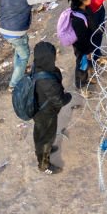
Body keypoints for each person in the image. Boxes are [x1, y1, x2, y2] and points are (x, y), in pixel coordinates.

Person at [0, 0, 72, 89]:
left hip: (4, 28)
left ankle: (18, 72)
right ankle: (14, 85)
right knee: (24, 56)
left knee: (18, 51)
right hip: (17, 31)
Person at [30, 41, 71, 174]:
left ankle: (44, 150)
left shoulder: (37, 67)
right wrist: (68, 97)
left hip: (39, 110)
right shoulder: (47, 81)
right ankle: (44, 165)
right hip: (46, 114)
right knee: (46, 138)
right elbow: (59, 101)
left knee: (41, 135)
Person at [67, 0, 102, 96]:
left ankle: (88, 78)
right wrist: (87, 51)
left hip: (88, 44)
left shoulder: (85, 8)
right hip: (82, 47)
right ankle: (81, 86)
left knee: (87, 63)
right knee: (82, 65)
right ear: (82, 1)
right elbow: (81, 39)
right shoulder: (77, 19)